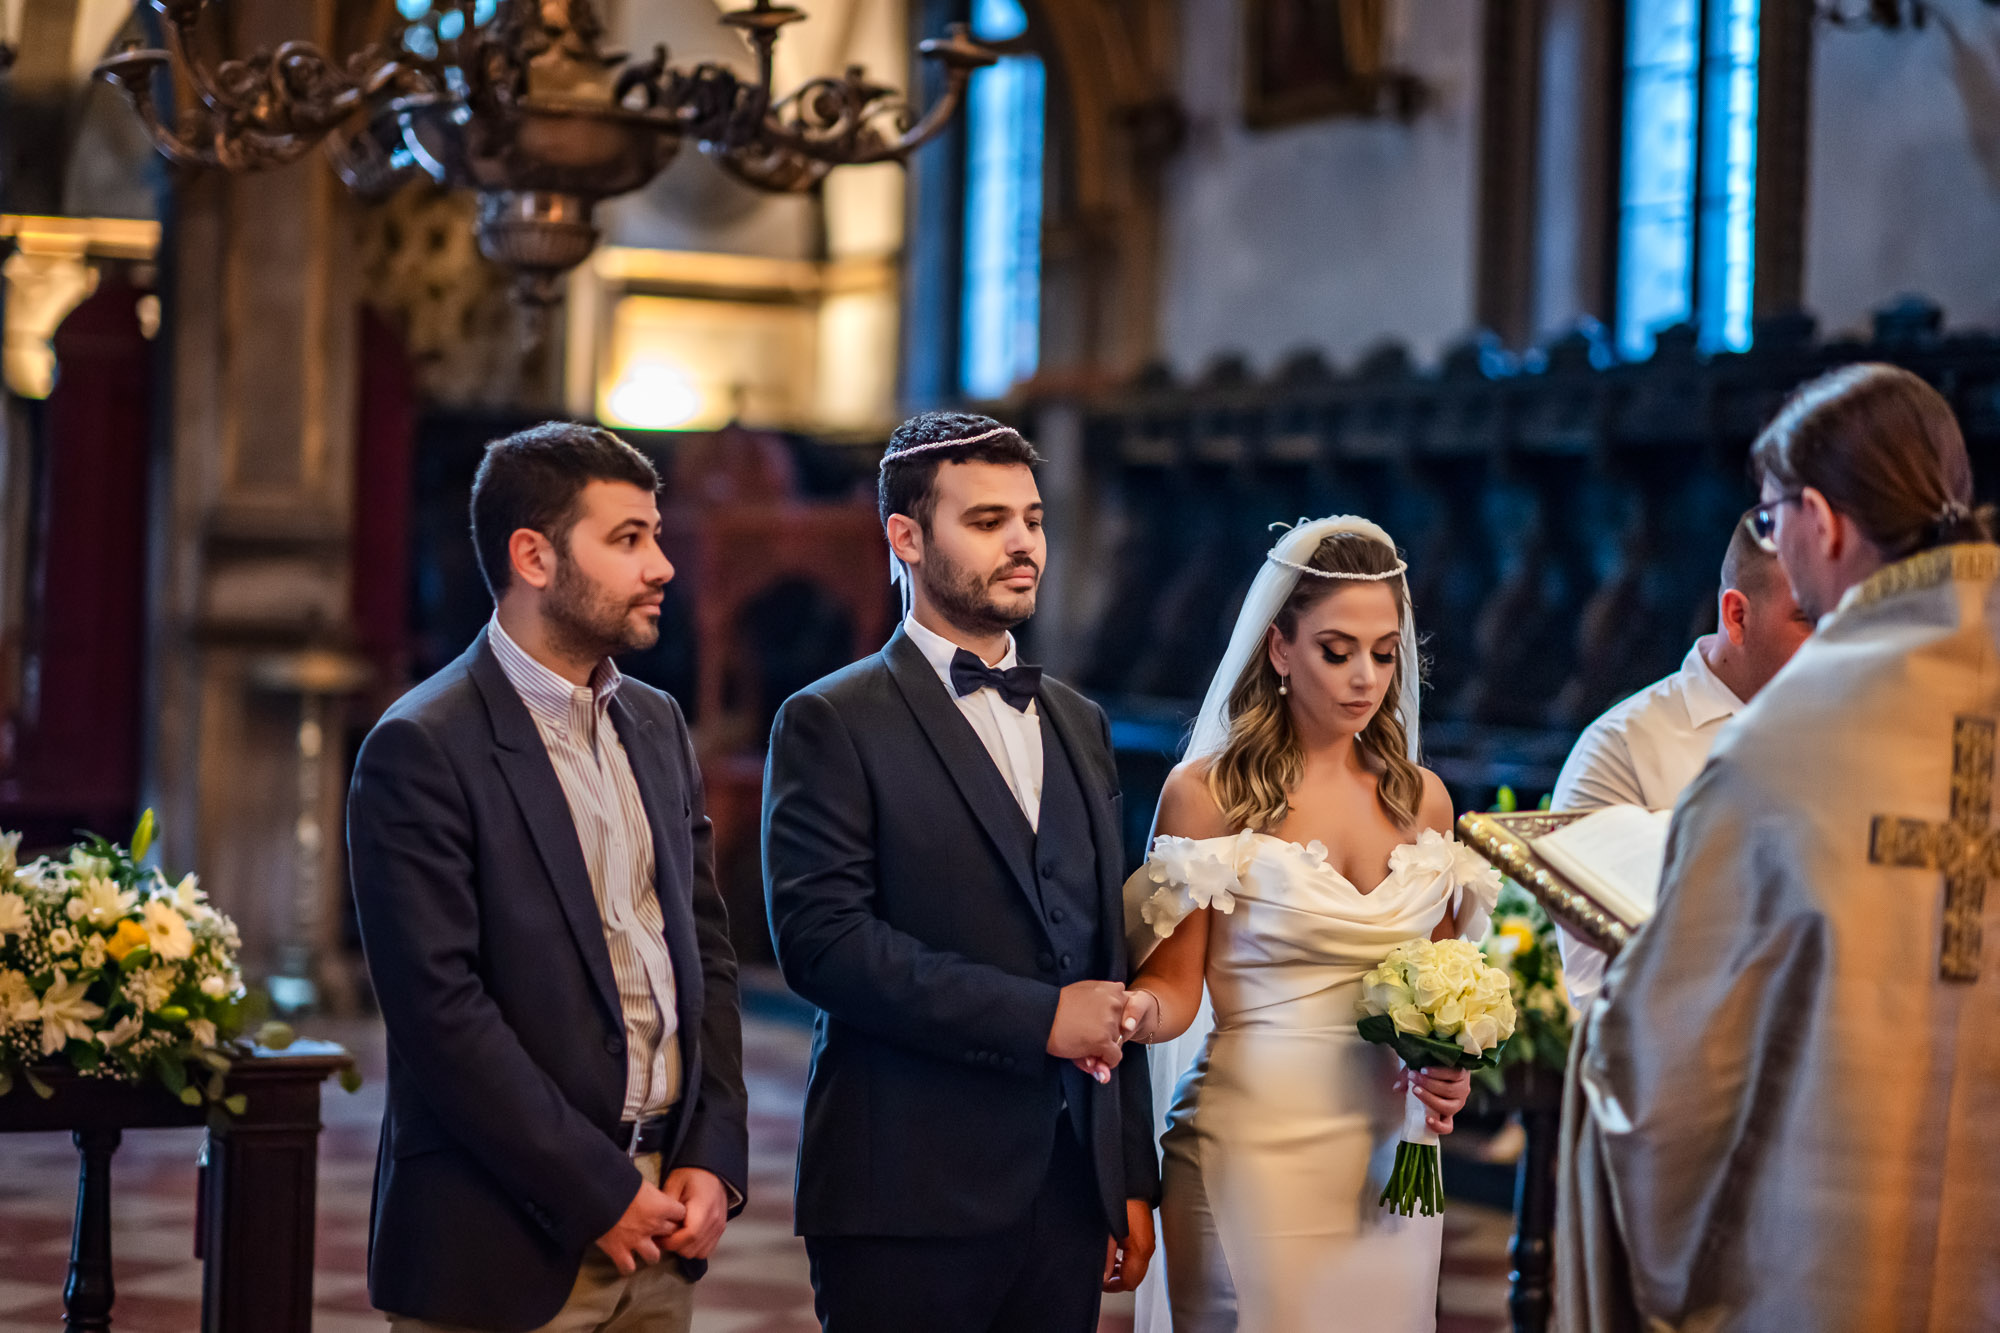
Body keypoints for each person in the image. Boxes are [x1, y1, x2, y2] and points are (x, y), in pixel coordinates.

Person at [1557, 363, 2000, 1333]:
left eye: (1771, 515)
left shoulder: (1784, 746)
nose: (1776, 543)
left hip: (1834, 1251)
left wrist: (1607, 1041)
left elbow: (1671, 1074)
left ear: (1822, 523)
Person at [762, 411, 1158, 1333]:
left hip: (1065, 1186)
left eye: (1033, 519)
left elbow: (1106, 951)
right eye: (987, 521)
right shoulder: (832, 718)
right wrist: (1040, 1017)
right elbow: (825, 946)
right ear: (906, 537)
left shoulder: (1080, 721)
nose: (1023, 542)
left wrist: (1126, 1173)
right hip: (905, 1190)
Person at [347, 423, 748, 1333]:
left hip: (664, 1221)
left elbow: (706, 957)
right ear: (533, 556)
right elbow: (441, 1013)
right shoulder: (421, 746)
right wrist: (598, 1190)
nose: (662, 566)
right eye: (627, 538)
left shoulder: (656, 723)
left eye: (655, 534)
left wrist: (711, 1151)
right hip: (502, 1234)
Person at [1116, 517, 1501, 1333]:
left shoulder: (1425, 800)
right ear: (1280, 649)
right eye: (1337, 650)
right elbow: (1175, 992)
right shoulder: (1207, 794)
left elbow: (1437, 990)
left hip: (1390, 1161)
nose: (1366, 677)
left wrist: (1450, 1067)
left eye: (1385, 653)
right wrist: (1123, 1010)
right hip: (1246, 1146)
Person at [1551, 520, 1812, 1003]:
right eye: (1809, 619)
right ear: (1736, 615)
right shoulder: (1620, 748)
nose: (1834, 642)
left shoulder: (1852, 734)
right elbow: (1596, 988)